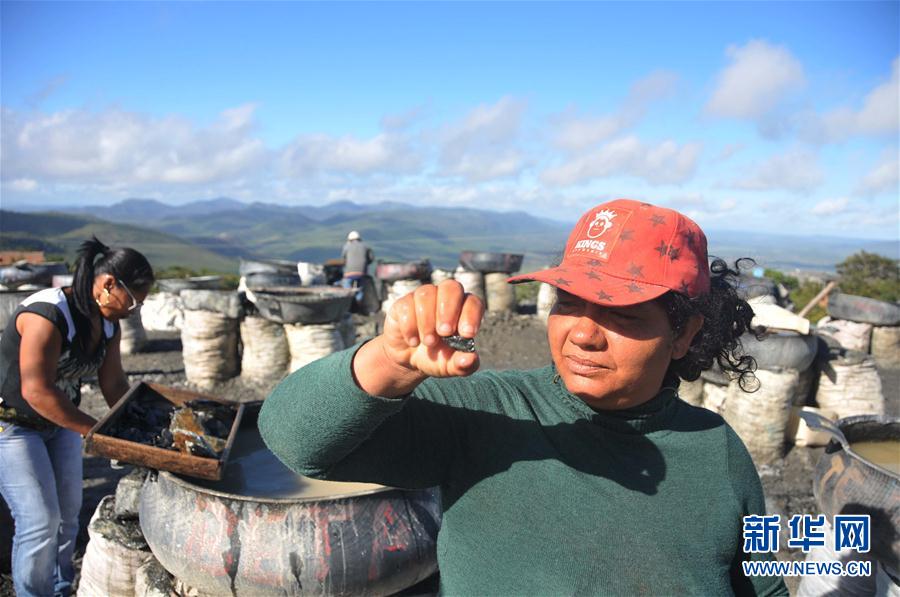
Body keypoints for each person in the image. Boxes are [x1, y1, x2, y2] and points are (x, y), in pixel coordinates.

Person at [259, 199, 788, 595]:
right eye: (569, 303)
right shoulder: (490, 415)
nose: (582, 333)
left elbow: (765, 584)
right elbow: (295, 441)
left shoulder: (718, 450)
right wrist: (390, 359)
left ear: (685, 334)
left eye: (623, 314)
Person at [0, 237, 153, 597]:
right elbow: (35, 390)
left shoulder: (108, 323)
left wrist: (145, 427)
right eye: (133, 300)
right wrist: (97, 433)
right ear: (108, 284)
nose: (134, 310)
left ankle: (59, 586)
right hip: (11, 424)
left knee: (68, 515)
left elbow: (113, 382)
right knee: (39, 520)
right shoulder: (48, 314)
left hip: (59, 421)